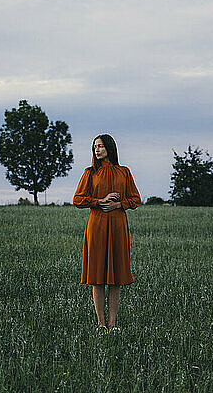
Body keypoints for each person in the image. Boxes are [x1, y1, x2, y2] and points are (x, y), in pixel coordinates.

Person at [72, 133, 142, 333]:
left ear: (109, 148)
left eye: (100, 146)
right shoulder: (89, 173)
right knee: (97, 277)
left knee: (115, 277)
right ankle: (101, 325)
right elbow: (78, 199)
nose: (97, 150)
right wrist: (100, 201)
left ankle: (113, 324)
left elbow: (136, 199)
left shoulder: (124, 172)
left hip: (118, 226)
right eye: (95, 147)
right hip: (97, 226)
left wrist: (119, 204)